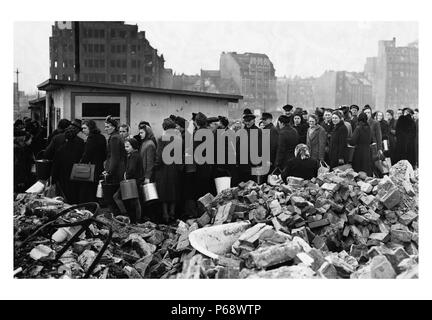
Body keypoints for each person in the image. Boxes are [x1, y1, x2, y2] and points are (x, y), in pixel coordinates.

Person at [154, 118, 182, 223]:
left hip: (163, 169)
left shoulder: (161, 138)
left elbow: (159, 155)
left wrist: (156, 166)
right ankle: (172, 214)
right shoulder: (178, 139)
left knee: (164, 193)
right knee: (173, 192)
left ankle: (165, 215)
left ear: (164, 127)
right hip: (174, 168)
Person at [51, 124, 85, 204]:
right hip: (77, 172)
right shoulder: (81, 144)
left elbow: (56, 164)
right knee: (76, 194)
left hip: (64, 175)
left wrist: (53, 178)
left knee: (66, 195)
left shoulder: (61, 149)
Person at [113, 138, 143, 224]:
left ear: (133, 146)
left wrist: (126, 175)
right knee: (135, 201)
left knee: (118, 197)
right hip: (134, 181)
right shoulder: (135, 155)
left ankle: (128, 216)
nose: (126, 148)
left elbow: (131, 169)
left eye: (127, 146)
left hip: (131, 181)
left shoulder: (133, 156)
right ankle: (135, 219)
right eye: (125, 146)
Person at [79, 120, 107, 203]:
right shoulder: (102, 137)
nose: (83, 130)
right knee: (96, 188)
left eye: (85, 128)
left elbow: (87, 154)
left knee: (89, 190)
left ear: (90, 128)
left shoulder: (91, 138)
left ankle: (91, 208)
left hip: (91, 168)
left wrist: (81, 163)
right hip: (99, 166)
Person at [237, 113, 263, 183]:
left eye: (249, 121)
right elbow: (237, 146)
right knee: (241, 182)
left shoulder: (258, 131)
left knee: (252, 182)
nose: (247, 123)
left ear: (253, 121)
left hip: (252, 162)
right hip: (242, 162)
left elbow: (260, 147)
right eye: (246, 121)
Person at [103, 116, 127, 184]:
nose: (105, 129)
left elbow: (114, 157)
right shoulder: (118, 136)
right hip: (119, 169)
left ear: (113, 127)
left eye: (107, 127)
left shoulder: (114, 138)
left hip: (116, 172)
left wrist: (109, 172)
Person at [363, 105, 384, 177]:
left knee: (376, 165)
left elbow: (379, 136)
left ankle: (382, 178)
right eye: (365, 113)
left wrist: (380, 149)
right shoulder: (362, 123)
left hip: (374, 147)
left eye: (369, 112)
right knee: (368, 166)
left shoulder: (375, 123)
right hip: (365, 147)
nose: (367, 114)